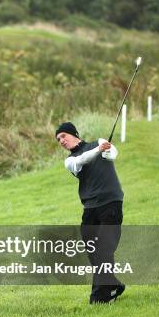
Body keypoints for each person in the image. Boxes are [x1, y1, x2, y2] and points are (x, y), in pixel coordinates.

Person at [55, 122, 126, 304]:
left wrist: (107, 149)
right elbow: (82, 160)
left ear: (74, 134)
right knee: (94, 252)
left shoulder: (99, 142)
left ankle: (99, 297)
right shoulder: (70, 161)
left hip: (110, 203)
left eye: (63, 136)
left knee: (104, 249)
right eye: (58, 139)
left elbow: (113, 154)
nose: (61, 141)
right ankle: (112, 285)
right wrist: (98, 151)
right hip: (90, 209)